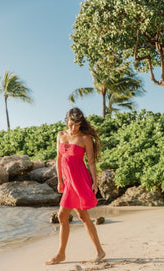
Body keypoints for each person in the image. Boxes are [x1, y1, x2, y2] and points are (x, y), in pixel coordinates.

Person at [45, 107, 105, 265]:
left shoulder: (85, 138)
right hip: (68, 181)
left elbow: (91, 162)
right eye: (71, 124)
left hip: (79, 180)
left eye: (77, 125)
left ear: (81, 123)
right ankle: (96, 251)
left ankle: (62, 254)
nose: (73, 128)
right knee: (74, 216)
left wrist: (95, 182)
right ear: (67, 121)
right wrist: (60, 181)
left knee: (70, 216)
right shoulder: (60, 135)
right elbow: (58, 159)